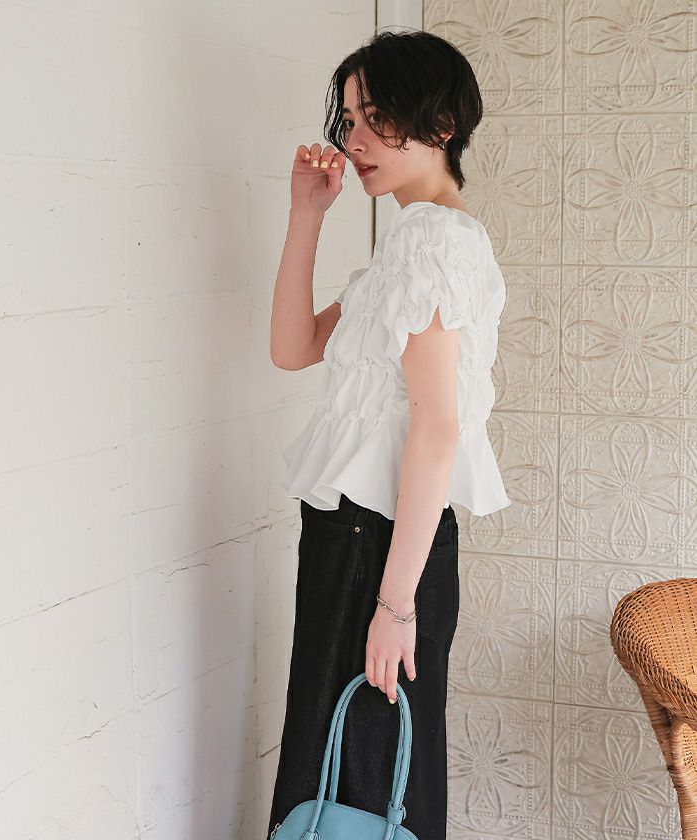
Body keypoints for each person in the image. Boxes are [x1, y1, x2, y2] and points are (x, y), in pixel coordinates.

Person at [267, 29, 512, 840]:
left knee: (362, 787)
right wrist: (307, 214)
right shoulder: (407, 247)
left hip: (379, 549)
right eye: (349, 119)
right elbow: (293, 347)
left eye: (377, 116)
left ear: (440, 125)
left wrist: (395, 604)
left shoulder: (433, 244)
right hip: (364, 542)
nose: (356, 138)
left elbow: (438, 428)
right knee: (348, 782)